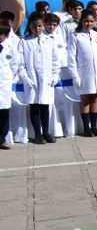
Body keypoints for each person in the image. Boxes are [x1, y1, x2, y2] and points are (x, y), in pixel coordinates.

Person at [18, 13, 60, 144]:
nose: (37, 29)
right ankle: (37, 134)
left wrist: (55, 75)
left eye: (40, 26)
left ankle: (46, 132)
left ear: (43, 26)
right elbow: (20, 63)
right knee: (34, 106)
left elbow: (55, 60)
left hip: (46, 80)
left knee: (45, 106)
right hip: (32, 80)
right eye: (34, 26)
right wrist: (26, 78)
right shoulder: (24, 42)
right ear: (30, 26)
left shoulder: (49, 40)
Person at [68, 10, 97, 137]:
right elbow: (71, 57)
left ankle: (94, 126)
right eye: (86, 21)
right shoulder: (75, 36)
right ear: (81, 21)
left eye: (91, 21)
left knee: (95, 99)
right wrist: (75, 75)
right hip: (84, 73)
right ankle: (86, 128)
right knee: (85, 100)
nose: (89, 24)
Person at [0, 25, 19, 149]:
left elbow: (14, 64)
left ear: (6, 35)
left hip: (4, 82)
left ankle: (2, 138)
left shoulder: (10, 46)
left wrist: (8, 77)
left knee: (4, 111)